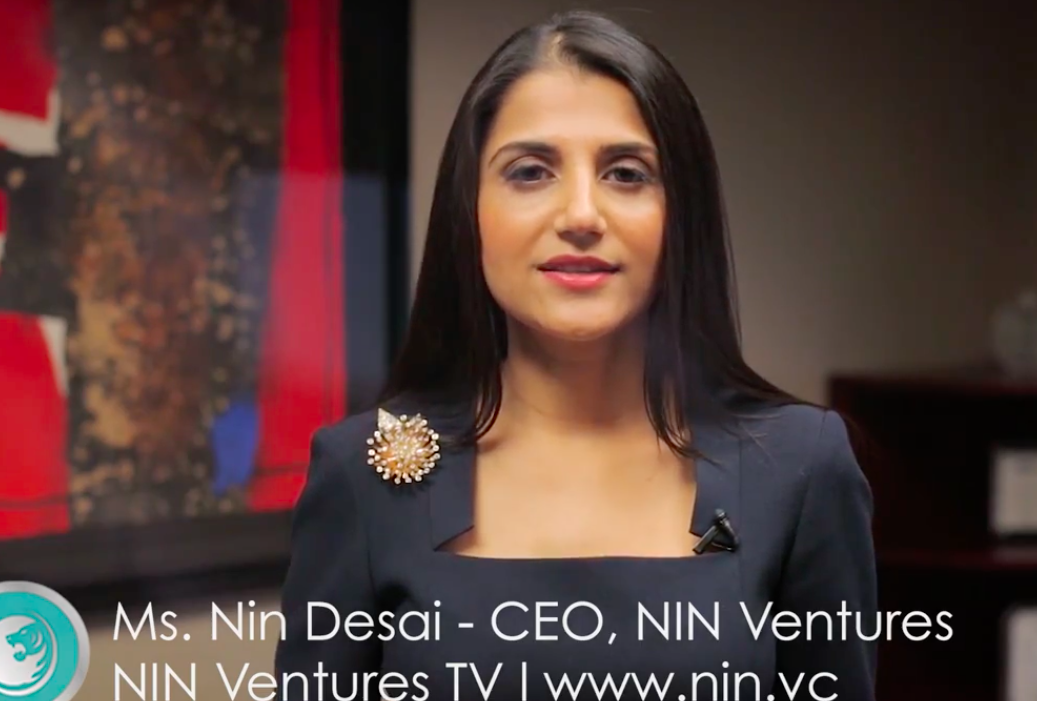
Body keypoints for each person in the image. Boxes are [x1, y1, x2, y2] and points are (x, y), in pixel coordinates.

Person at [274, 10, 877, 701]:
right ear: (470, 210)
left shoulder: (800, 469)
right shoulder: (363, 479)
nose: (581, 215)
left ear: (681, 212)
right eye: (530, 172)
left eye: (626, 173)